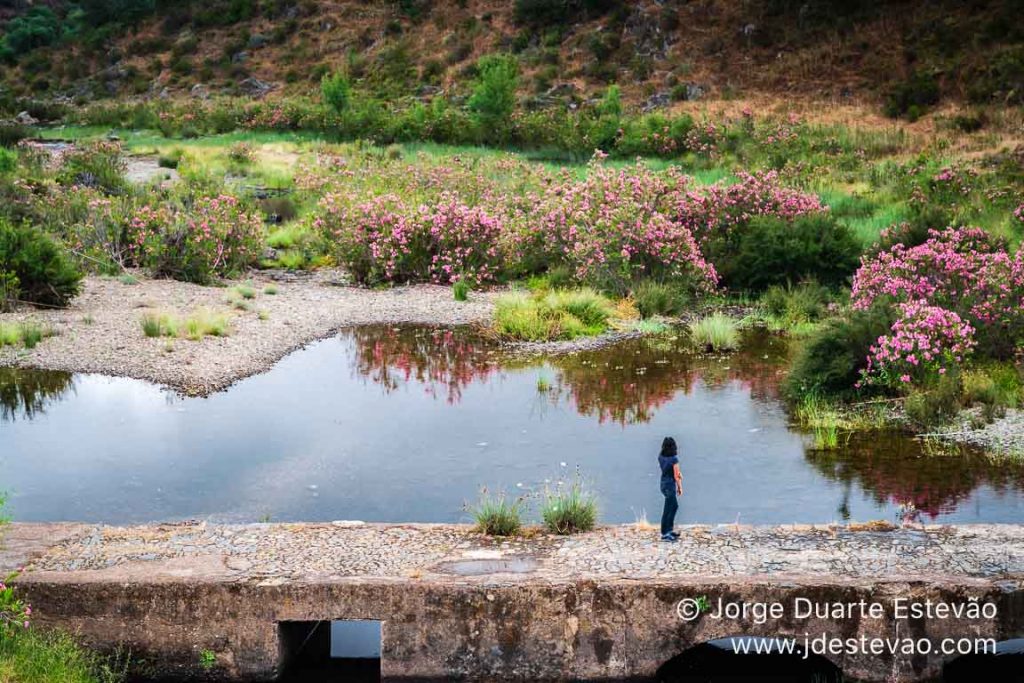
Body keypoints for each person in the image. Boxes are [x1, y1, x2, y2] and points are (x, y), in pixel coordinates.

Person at [658, 437, 682, 542]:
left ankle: (668, 530)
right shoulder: (674, 459)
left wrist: (678, 473)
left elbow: (669, 470)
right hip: (670, 486)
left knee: (672, 507)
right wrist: (680, 487)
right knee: (670, 508)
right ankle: (665, 533)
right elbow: (676, 476)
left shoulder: (661, 457)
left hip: (663, 484)